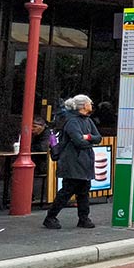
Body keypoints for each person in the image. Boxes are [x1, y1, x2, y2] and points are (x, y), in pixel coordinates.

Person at [44, 95, 102, 230]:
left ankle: (83, 218)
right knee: (67, 191)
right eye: (89, 103)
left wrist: (87, 137)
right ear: (83, 106)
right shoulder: (72, 121)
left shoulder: (87, 120)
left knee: (83, 190)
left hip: (84, 160)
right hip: (72, 161)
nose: (91, 105)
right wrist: (89, 141)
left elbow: (98, 137)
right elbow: (78, 141)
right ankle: (50, 217)